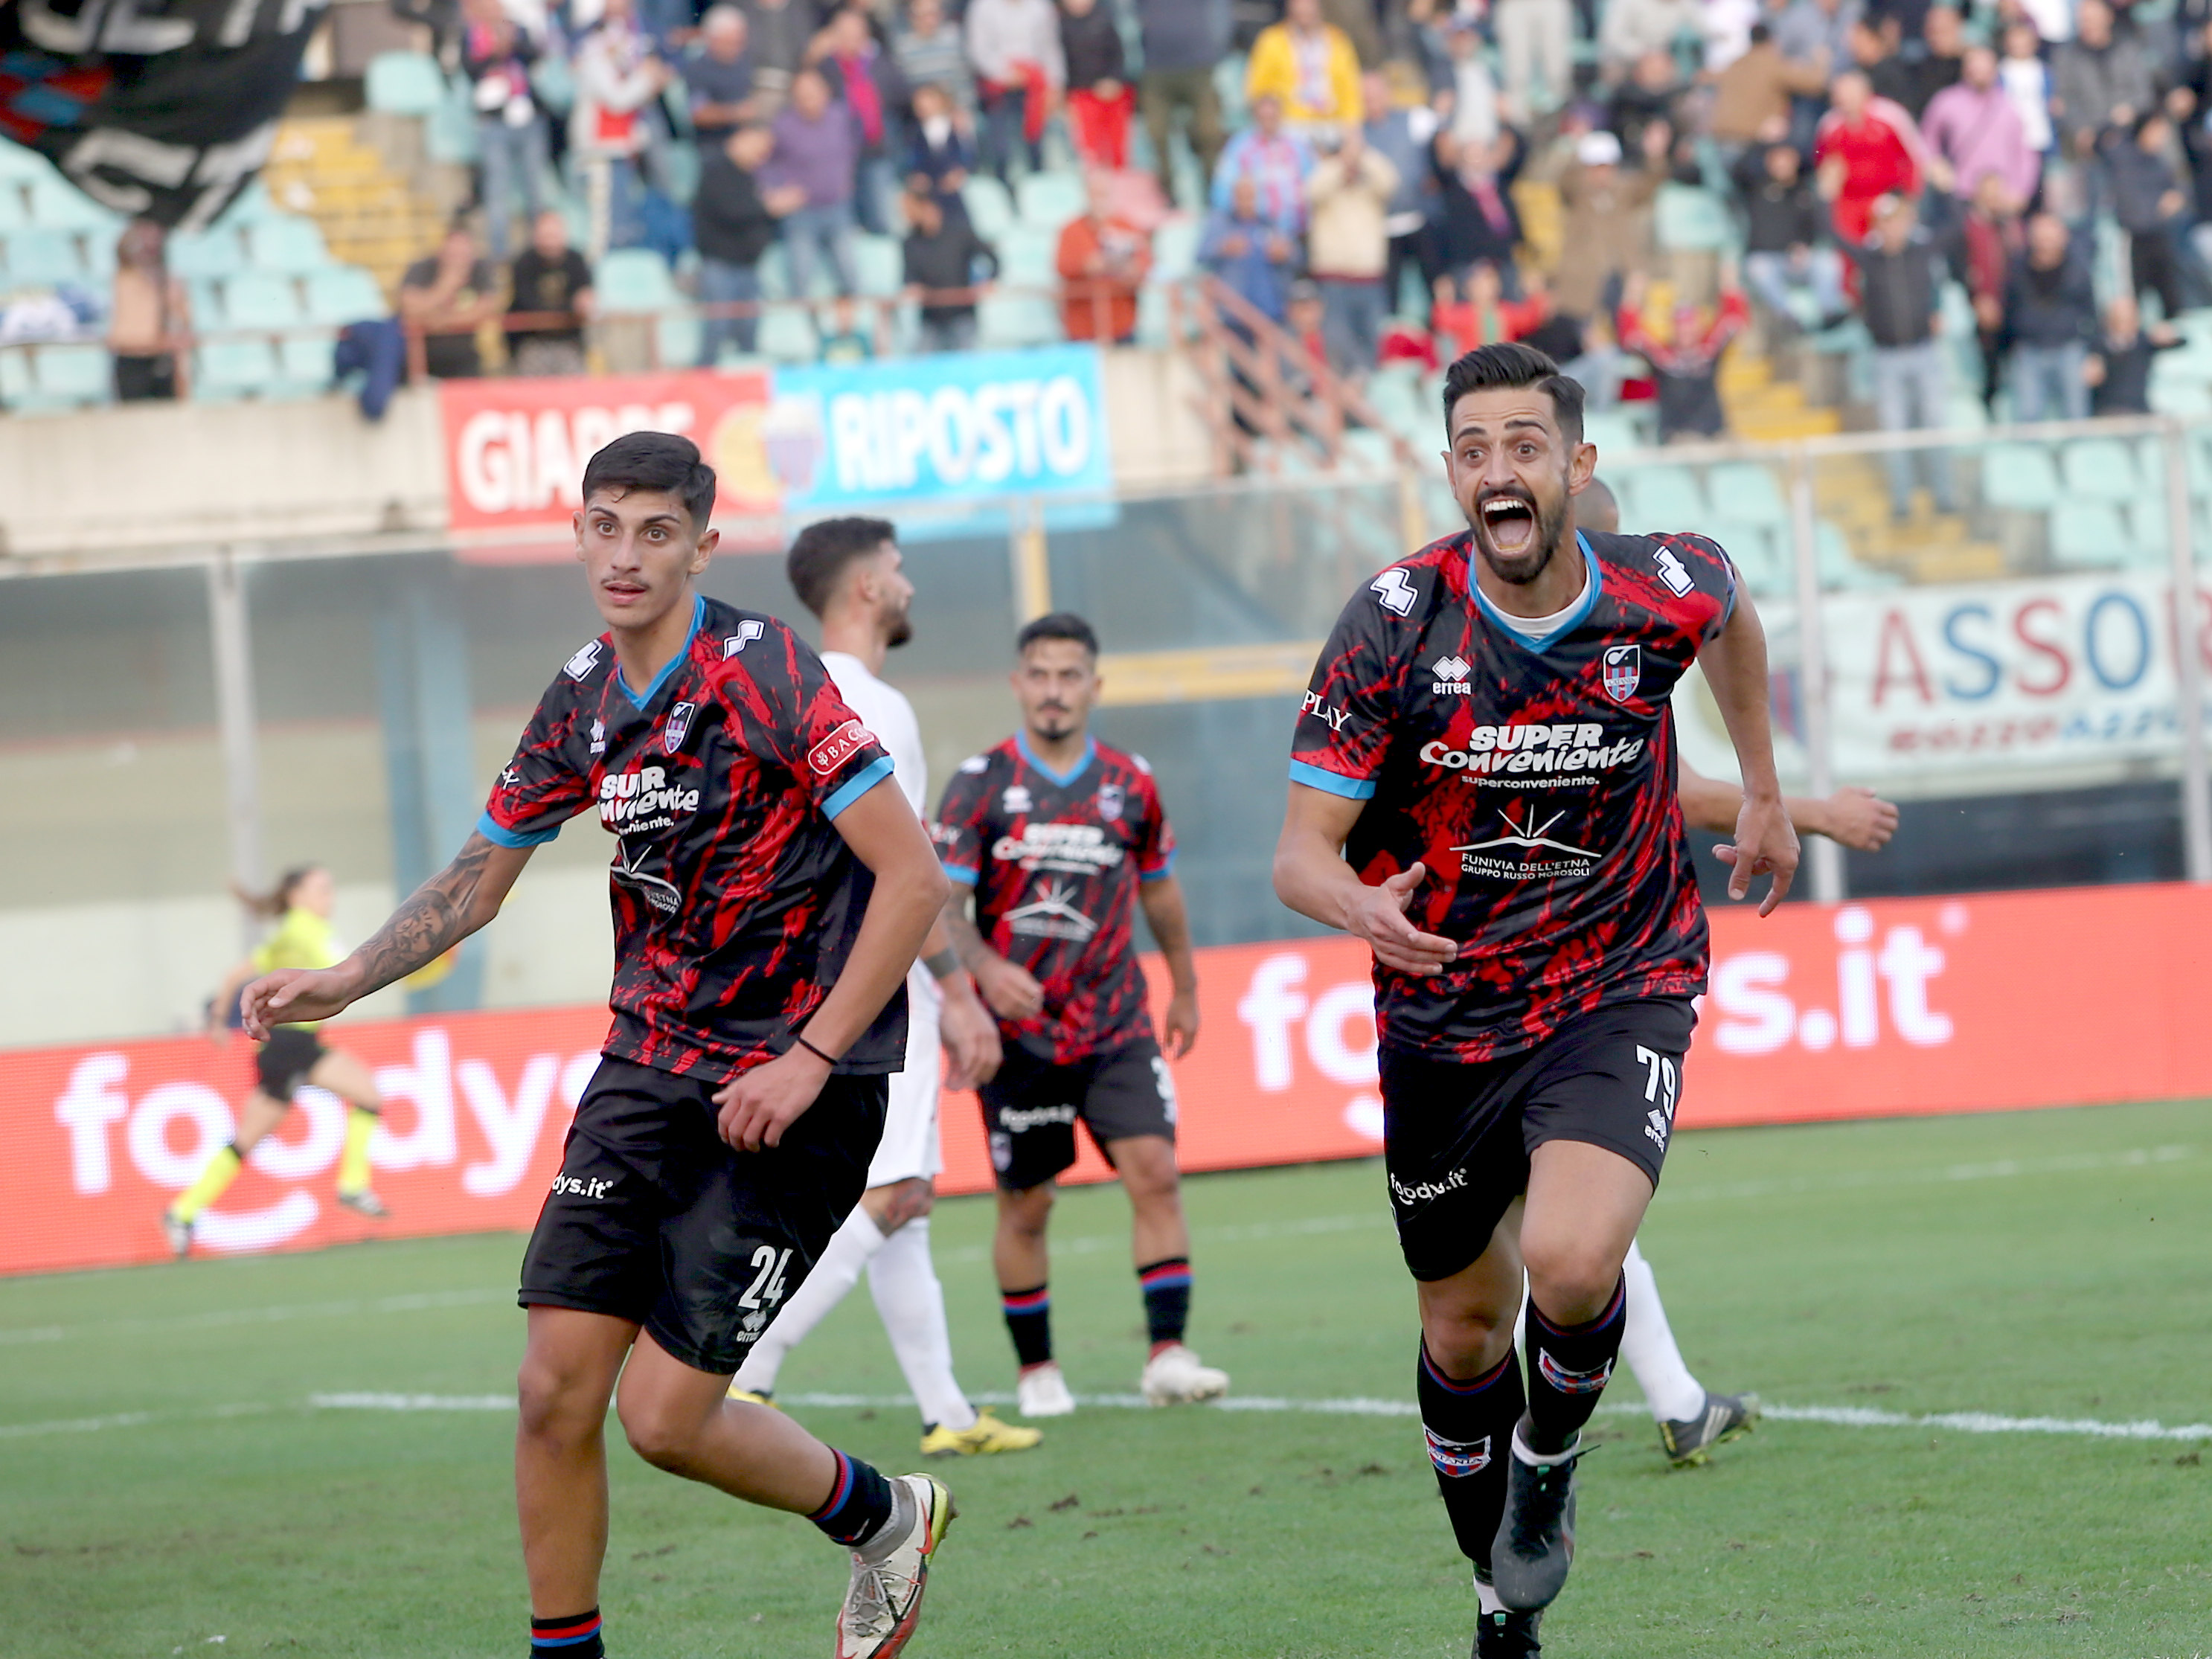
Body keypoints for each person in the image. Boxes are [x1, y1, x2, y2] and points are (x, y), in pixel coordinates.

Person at [237, 431, 956, 1659]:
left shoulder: (764, 673)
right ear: (575, 535)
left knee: (665, 1421)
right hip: (645, 1071)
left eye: (655, 531)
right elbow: (477, 881)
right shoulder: (579, 696)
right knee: (549, 1391)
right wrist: (346, 979)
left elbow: (913, 880)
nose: (625, 555)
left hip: (794, 1081)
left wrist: (810, 1056)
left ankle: (886, 1516)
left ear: (701, 546)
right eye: (606, 527)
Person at [1272, 341, 1798, 1656]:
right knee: (1458, 1332)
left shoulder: (1659, 585)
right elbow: (1295, 856)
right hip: (1441, 1021)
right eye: (1470, 450)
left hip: (1617, 983)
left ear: (1575, 463)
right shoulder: (1395, 620)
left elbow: (1729, 615)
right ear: (1450, 470)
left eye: (1520, 445)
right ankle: (1498, 1600)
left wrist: (1769, 790)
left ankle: (1551, 1459)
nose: (1495, 471)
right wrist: (1358, 908)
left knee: (1568, 1262)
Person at [728, 518, 1043, 1463]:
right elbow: (912, 871)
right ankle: (750, 1366)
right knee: (897, 1190)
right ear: (866, 588)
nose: (907, 585)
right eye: (898, 571)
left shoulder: (794, 692)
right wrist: (961, 994)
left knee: (906, 1200)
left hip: (809, 983)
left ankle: (946, 1409)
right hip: (885, 986)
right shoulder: (877, 705)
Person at [932, 611, 1228, 1417]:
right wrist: (986, 972)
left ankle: (1167, 1353)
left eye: (1070, 675)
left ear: (1094, 686)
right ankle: (1038, 1371)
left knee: (1157, 1176)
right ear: (1018, 683)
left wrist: (1188, 986)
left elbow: (1159, 889)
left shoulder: (1130, 782)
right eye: (1040, 673)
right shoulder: (980, 781)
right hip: (1019, 1037)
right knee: (1029, 1204)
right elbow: (939, 902)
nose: (1054, 690)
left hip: (1116, 1024)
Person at [164, 865, 390, 1256]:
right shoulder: (306, 929)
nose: (329, 898)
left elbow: (238, 973)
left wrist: (219, 1019)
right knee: (367, 1094)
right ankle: (352, 1185)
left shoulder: (287, 933)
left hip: (283, 1046)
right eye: (322, 889)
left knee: (247, 1139)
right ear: (296, 896)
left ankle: (183, 1210)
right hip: (292, 1044)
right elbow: (350, 972)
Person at [1859, 193, 1955, 517]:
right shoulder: (1870, 260)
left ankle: (1944, 496)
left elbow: (1954, 229)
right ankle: (1902, 501)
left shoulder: (1921, 253)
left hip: (1924, 351)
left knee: (1934, 424)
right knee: (1894, 432)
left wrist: (1948, 190)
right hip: (1887, 356)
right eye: (1888, 221)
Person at [571, 0, 673, 260]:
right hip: (600, 153)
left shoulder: (616, 66)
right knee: (604, 222)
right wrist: (647, 77)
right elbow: (618, 100)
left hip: (618, 151)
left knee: (622, 216)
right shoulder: (594, 62)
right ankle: (599, 276)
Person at [693, 124, 796, 364]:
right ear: (740, 140)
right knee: (717, 329)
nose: (763, 154)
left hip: (748, 265)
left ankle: (746, 384)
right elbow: (731, 211)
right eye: (760, 146)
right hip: (721, 266)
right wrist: (768, 207)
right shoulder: (716, 171)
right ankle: (700, 384)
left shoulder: (749, 176)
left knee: (749, 331)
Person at [1307, 124, 1400, 381]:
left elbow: (1390, 181)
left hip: (1369, 278)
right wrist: (1341, 162)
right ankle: (1346, 408)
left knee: (1373, 350)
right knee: (1338, 347)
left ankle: (1368, 405)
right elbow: (1312, 191)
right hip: (1334, 279)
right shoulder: (1325, 174)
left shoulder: (1371, 184)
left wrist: (1363, 154)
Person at [1615, 272, 1751, 443]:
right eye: (1681, 326)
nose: (1685, 331)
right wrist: (1633, 295)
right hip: (1677, 437)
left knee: (1746, 450)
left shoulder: (1708, 350)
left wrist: (1729, 284)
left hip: (1716, 434)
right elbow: (1631, 335)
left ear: (1698, 326)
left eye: (1690, 325)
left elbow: (1735, 320)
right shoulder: (1663, 357)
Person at [461, 0, 549, 263]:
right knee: (497, 191)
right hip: (494, 122)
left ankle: (542, 251)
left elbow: (535, 56)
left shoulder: (517, 29)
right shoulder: (471, 35)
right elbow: (470, 70)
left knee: (536, 190)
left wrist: (513, 44)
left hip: (527, 117)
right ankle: (500, 254)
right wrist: (493, 54)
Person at [765, 67, 862, 298]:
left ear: (825, 92)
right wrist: (776, 192)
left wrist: (847, 177)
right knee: (801, 275)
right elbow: (766, 162)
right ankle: (804, 329)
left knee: (850, 273)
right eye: (802, 96)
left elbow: (853, 148)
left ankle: (852, 326)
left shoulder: (841, 117)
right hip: (802, 212)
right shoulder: (783, 125)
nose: (808, 102)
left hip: (838, 206)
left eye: (812, 94)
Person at [1734, 137, 1847, 330]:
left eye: (1786, 158)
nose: (1781, 164)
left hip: (1799, 260)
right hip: (1768, 257)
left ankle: (1828, 313)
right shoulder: (1756, 187)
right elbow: (1736, 171)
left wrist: (1803, 246)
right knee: (1758, 267)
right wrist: (1760, 142)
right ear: (1768, 162)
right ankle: (1789, 316)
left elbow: (1817, 229)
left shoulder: (1805, 191)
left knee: (1829, 261)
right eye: (1776, 159)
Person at [2003, 211, 2100, 423]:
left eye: (2050, 236)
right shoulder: (2017, 269)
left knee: (2076, 415)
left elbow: (2092, 314)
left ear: (2063, 237)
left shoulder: (2078, 270)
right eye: (2041, 236)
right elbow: (2009, 311)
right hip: (2029, 351)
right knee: (2028, 417)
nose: (2045, 243)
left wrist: (2094, 353)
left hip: (2069, 350)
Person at [1918, 43, 2037, 215]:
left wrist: (2022, 190)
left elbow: (2025, 152)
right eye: (1975, 67)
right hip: (1962, 193)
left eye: (1986, 68)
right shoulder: (1946, 101)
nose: (1980, 74)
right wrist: (1935, 166)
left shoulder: (2009, 106)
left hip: (2001, 196)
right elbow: (1927, 139)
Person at [1812, 69, 1922, 248]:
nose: (1844, 99)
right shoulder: (1830, 124)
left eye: (1849, 93)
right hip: (1848, 201)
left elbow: (1915, 156)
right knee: (1847, 251)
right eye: (1839, 94)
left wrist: (1909, 196)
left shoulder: (1891, 116)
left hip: (1887, 197)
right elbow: (1820, 159)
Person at [1134, 0, 1229, 202]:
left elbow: (1222, 11)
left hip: (1199, 65)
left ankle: (1213, 195)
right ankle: (1167, 196)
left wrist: (1217, 49)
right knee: (1156, 134)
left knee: (1208, 132)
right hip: (1156, 68)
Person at [2102, 109, 2192, 322]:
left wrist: (2177, 197)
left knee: (2171, 292)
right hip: (2132, 238)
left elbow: (2179, 188)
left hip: (2159, 234)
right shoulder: (2122, 155)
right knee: (2132, 297)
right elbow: (2098, 143)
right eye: (2159, 132)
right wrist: (2118, 123)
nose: (2163, 138)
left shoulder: (2160, 161)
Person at [966, 0, 1065, 183]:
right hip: (998, 87)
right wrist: (1005, 74)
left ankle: (1038, 193)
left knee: (1036, 147)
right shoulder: (983, 7)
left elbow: (1050, 47)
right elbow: (978, 49)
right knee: (1001, 150)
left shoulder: (1040, 7)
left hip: (1034, 87)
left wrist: (1055, 83)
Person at [1056, 170, 1152, 344]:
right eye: (1095, 193)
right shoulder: (1071, 230)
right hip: (1082, 327)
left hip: (1122, 324)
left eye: (1104, 193)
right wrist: (1089, 265)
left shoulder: (1126, 225)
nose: (1099, 199)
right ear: (1086, 194)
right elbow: (1062, 266)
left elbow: (1145, 264)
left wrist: (1131, 269)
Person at [399, 222, 502, 379]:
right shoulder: (421, 268)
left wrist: (441, 320)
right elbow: (409, 309)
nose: (458, 259)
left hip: (465, 357)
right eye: (453, 254)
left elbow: (487, 309)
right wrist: (445, 287)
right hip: (421, 356)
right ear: (441, 251)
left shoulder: (480, 269)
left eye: (462, 254)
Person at [1245, 0, 1364, 135]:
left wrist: (1353, 132)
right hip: (1288, 127)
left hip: (1333, 126)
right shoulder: (1271, 41)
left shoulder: (1338, 41)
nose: (1304, 9)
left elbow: (1351, 93)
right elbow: (1258, 91)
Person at [901, 186, 998, 351]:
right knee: (921, 363)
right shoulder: (910, 242)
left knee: (966, 363)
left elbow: (991, 257)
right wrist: (913, 287)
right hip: (931, 318)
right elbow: (909, 276)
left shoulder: (959, 232)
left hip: (962, 314)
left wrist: (990, 279)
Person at [1199, 174, 1300, 326]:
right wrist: (1223, 248)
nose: (1245, 202)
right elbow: (1200, 255)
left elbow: (1297, 257)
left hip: (1269, 308)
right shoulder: (1221, 224)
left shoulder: (1269, 225)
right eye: (1241, 197)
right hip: (1234, 311)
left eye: (1250, 197)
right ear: (1233, 197)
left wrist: (1285, 253)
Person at [506, 210, 597, 376]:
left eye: (554, 235)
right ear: (536, 236)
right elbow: (527, 304)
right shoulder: (524, 263)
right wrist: (569, 309)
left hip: (569, 340)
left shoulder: (576, 261)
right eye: (546, 235)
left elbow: (585, 300)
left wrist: (576, 308)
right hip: (533, 341)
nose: (550, 242)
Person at [1210, 92, 1315, 236]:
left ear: (1280, 115)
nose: (1268, 122)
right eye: (1263, 117)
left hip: (1298, 232)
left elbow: (1313, 184)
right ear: (1255, 117)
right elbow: (1221, 193)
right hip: (1258, 234)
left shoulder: (1298, 146)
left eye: (1272, 116)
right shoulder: (1239, 147)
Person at [108, 220, 189, 402]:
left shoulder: (172, 283)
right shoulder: (126, 275)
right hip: (131, 356)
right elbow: (120, 249)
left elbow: (184, 326)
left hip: (161, 358)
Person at [1059, 0, 1132, 170]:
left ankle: (1120, 186)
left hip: (1112, 92)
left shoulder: (1105, 19)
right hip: (1081, 93)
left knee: (1117, 149)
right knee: (1089, 150)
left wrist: (1113, 79)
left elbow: (1118, 54)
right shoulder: (1060, 26)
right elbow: (1062, 64)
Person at [2088, 290, 2184, 415]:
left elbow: (2181, 342)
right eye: (2120, 317)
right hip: (2108, 411)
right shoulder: (2097, 346)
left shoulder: (2143, 342)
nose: (2124, 321)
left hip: (2139, 409)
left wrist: (2169, 335)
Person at [683, 4, 760, 147]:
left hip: (751, 135)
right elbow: (698, 114)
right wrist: (736, 113)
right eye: (731, 42)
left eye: (740, 42)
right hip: (715, 143)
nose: (737, 47)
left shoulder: (746, 62)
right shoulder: (698, 70)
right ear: (713, 39)